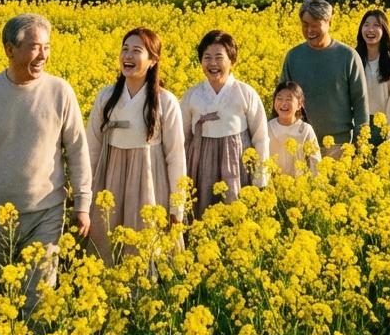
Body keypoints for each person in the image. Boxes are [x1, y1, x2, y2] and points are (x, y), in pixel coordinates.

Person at [0, 13, 92, 319]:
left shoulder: (60, 92)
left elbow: (78, 151)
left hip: (45, 212)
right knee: (3, 300)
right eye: (34, 47)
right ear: (9, 49)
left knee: (38, 300)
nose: (43, 55)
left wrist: (83, 203)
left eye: (47, 47)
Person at [85, 27, 186, 265]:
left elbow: (176, 156)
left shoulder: (166, 101)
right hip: (109, 179)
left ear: (153, 60)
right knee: (106, 243)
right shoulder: (106, 97)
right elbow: (91, 147)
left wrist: (177, 207)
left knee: (144, 245)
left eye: (137, 51)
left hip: (149, 180)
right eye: (125, 49)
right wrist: (84, 193)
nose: (128, 56)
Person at [180, 30, 270, 218]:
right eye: (207, 57)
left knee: (236, 212)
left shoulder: (245, 93)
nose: (213, 63)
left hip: (237, 161)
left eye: (219, 57)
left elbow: (260, 137)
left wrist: (261, 177)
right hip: (202, 162)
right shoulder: (192, 95)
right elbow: (183, 139)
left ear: (232, 60)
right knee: (203, 215)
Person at [279, 0, 368, 157]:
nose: (309, 30)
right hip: (300, 141)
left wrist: (360, 142)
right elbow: (282, 98)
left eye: (315, 25)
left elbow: (360, 101)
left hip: (338, 144)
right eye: (305, 25)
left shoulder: (348, 56)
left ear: (329, 23)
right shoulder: (293, 56)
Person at [355, 9, 390, 141]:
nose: (370, 30)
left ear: (384, 30)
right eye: (366, 25)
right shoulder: (353, 58)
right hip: (357, 125)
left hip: (382, 126)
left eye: (376, 25)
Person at [267, 81, 320, 177]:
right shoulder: (267, 128)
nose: (284, 103)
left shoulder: (305, 130)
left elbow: (315, 162)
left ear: (299, 105)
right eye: (279, 99)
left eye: (288, 99)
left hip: (300, 186)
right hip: (273, 186)